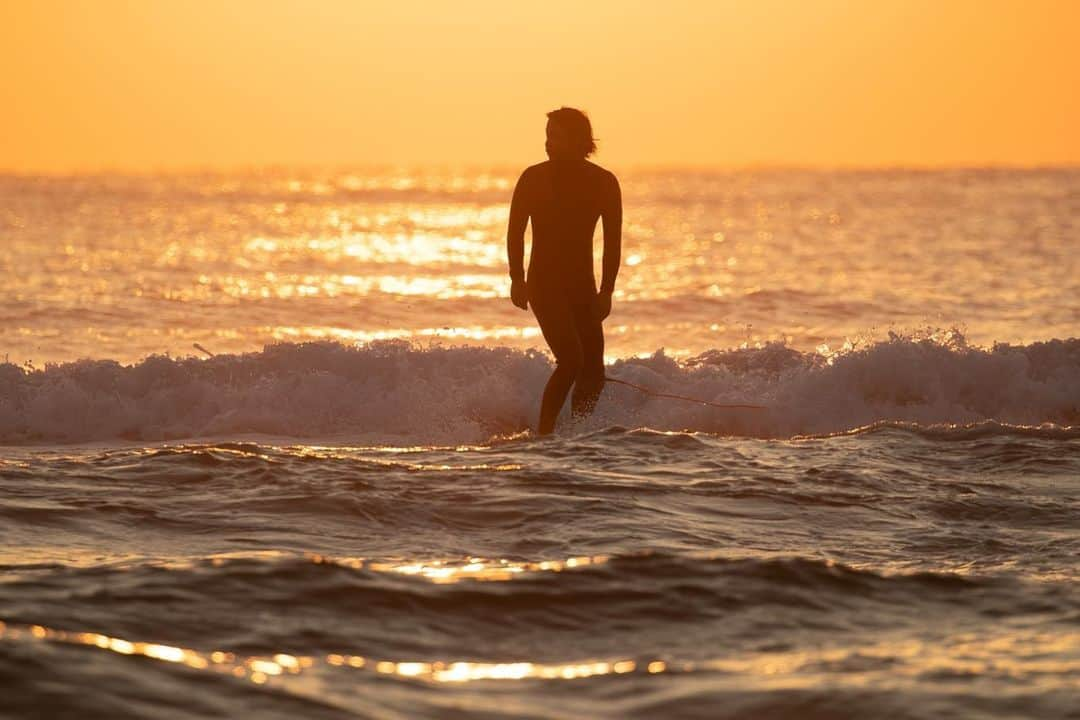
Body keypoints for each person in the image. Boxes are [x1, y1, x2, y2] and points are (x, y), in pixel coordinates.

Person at [506, 107, 622, 435]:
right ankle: (544, 434)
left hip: (583, 287)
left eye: (554, 136)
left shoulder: (603, 182)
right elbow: (516, 231)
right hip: (544, 284)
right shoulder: (533, 178)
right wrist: (517, 278)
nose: (547, 143)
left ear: (577, 140)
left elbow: (613, 243)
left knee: (594, 372)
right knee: (571, 360)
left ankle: (577, 434)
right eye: (547, 135)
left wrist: (606, 291)